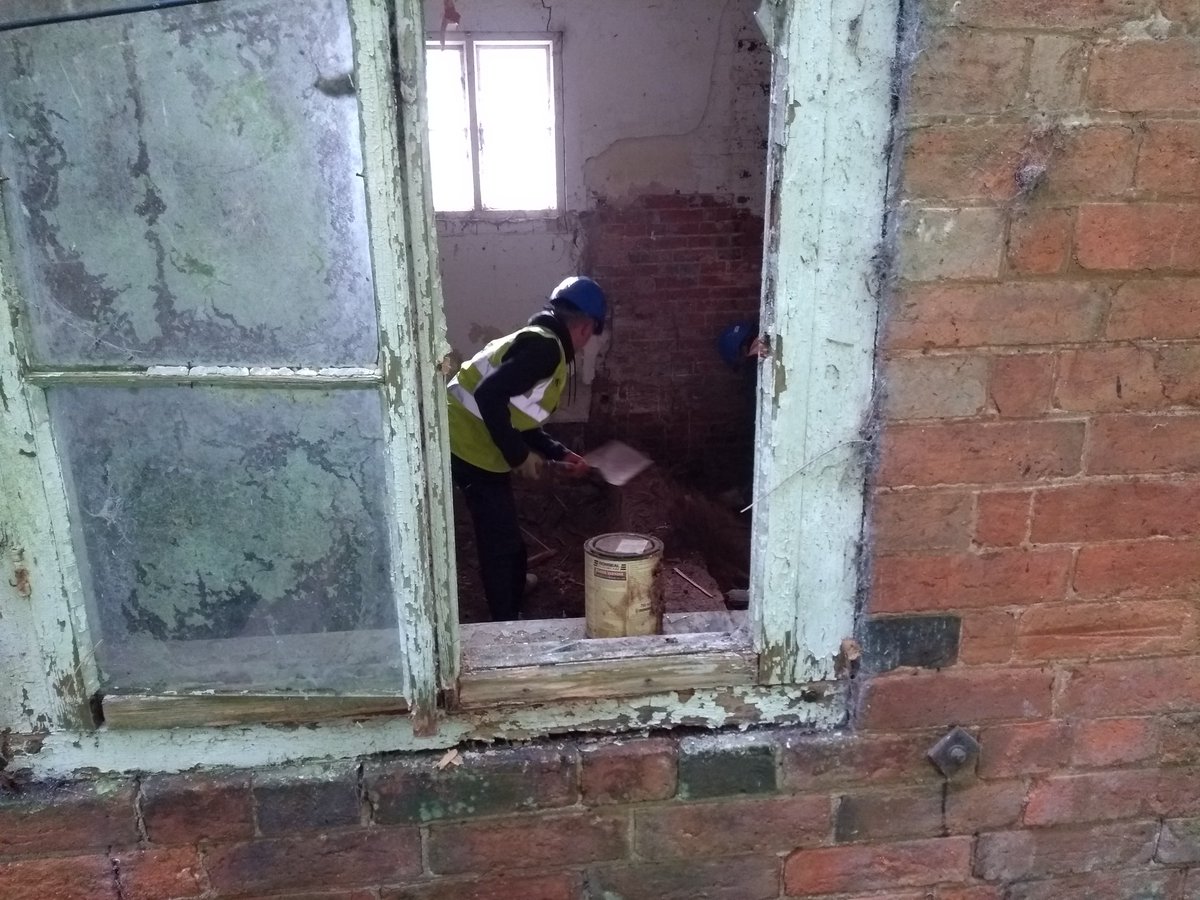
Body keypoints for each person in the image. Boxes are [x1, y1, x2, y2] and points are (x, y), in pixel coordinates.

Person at [446, 275, 607, 621]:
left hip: (475, 440)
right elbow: (488, 395)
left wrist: (557, 452)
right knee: (499, 541)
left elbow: (519, 415)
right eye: (591, 334)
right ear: (585, 327)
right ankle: (505, 619)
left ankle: (515, 586)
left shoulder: (542, 342)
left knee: (505, 532)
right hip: (466, 444)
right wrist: (519, 456)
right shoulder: (545, 351)